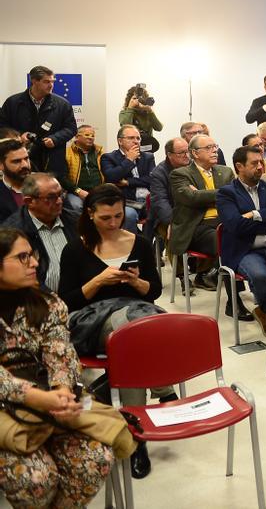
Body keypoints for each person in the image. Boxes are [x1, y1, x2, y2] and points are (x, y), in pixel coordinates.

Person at [58, 184, 169, 479]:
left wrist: (134, 282)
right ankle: (163, 390)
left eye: (118, 216)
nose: (113, 223)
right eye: (105, 218)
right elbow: (66, 301)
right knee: (132, 331)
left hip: (134, 312)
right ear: (90, 215)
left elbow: (153, 291)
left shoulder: (140, 243)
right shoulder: (75, 248)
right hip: (91, 320)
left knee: (133, 333)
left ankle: (134, 435)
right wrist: (99, 281)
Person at [0, 228, 113, 505]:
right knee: (36, 478)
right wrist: (39, 398)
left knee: (96, 459)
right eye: (23, 257)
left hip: (50, 401)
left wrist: (62, 392)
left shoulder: (49, 304)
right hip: (9, 408)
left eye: (33, 255)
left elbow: (60, 352)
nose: (35, 263)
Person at [217, 145, 266, 330]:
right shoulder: (226, 193)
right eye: (254, 163)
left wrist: (253, 214)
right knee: (261, 276)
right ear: (239, 166)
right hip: (246, 250)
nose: (260, 167)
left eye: (261, 162)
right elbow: (236, 226)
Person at [168, 134, 234, 291]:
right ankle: (229, 295)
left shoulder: (225, 171)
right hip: (197, 226)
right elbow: (191, 198)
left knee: (247, 237)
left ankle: (216, 275)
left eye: (215, 147)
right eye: (208, 148)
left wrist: (201, 195)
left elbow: (235, 196)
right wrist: (223, 194)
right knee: (227, 243)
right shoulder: (180, 174)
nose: (215, 151)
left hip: (224, 221)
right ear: (195, 153)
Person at [1, 173, 77, 293]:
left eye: (61, 194)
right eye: (51, 197)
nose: (59, 201)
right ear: (29, 201)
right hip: (39, 302)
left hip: (83, 295)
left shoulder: (74, 220)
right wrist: (53, 300)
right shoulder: (14, 232)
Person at [0, 65, 76, 177]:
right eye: (46, 82)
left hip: (52, 161)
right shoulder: (13, 102)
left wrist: (55, 139)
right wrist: (19, 136)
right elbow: (3, 126)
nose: (51, 85)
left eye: (52, 81)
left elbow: (71, 128)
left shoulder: (63, 104)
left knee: (51, 193)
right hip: (20, 160)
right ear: (34, 81)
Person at [99, 124, 153, 231]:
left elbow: (151, 179)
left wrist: (128, 182)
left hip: (148, 201)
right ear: (120, 141)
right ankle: (130, 245)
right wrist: (129, 160)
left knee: (163, 213)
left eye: (138, 138)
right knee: (129, 215)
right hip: (127, 202)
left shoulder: (148, 157)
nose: (136, 141)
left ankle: (147, 245)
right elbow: (112, 177)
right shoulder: (108, 157)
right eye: (131, 138)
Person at [145, 136, 189, 240]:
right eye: (181, 153)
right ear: (169, 155)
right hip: (167, 217)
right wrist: (173, 221)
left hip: (190, 215)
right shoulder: (159, 173)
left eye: (188, 151)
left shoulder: (193, 167)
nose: (187, 156)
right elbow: (160, 202)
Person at [62, 124, 104, 214]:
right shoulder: (67, 154)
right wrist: (78, 191)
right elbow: (63, 178)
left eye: (93, 136)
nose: (91, 138)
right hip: (75, 192)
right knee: (76, 206)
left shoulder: (100, 152)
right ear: (77, 137)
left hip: (98, 191)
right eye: (87, 135)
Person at [118, 83, 162, 152]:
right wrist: (130, 108)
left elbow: (159, 128)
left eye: (142, 99)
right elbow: (125, 126)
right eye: (135, 98)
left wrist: (150, 111)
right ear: (129, 100)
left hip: (146, 149)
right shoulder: (125, 113)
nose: (138, 101)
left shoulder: (147, 114)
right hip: (131, 149)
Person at [0, 137, 32, 223]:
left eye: (26, 158)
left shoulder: (47, 183)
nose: (25, 165)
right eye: (16, 161)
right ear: (1, 165)